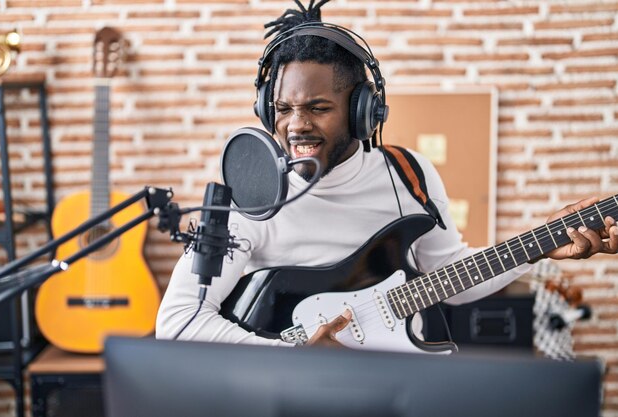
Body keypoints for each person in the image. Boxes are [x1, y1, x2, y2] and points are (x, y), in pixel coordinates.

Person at [156, 0, 618, 348]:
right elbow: (177, 321)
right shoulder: (250, 197)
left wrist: (539, 246)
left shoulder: (408, 173)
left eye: (318, 108)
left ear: (363, 112)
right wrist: (285, 353)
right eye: (282, 109)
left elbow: (448, 276)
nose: (296, 125)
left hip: (388, 384)